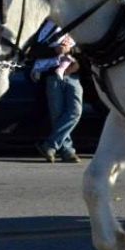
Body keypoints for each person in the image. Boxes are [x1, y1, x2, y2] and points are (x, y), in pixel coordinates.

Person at [30, 21, 83, 163]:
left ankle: (49, 145)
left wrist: (69, 51)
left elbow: (84, 48)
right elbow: (34, 51)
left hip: (72, 74)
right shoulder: (42, 28)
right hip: (52, 76)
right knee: (58, 115)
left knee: (75, 112)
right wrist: (55, 51)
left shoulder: (76, 24)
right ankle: (67, 151)